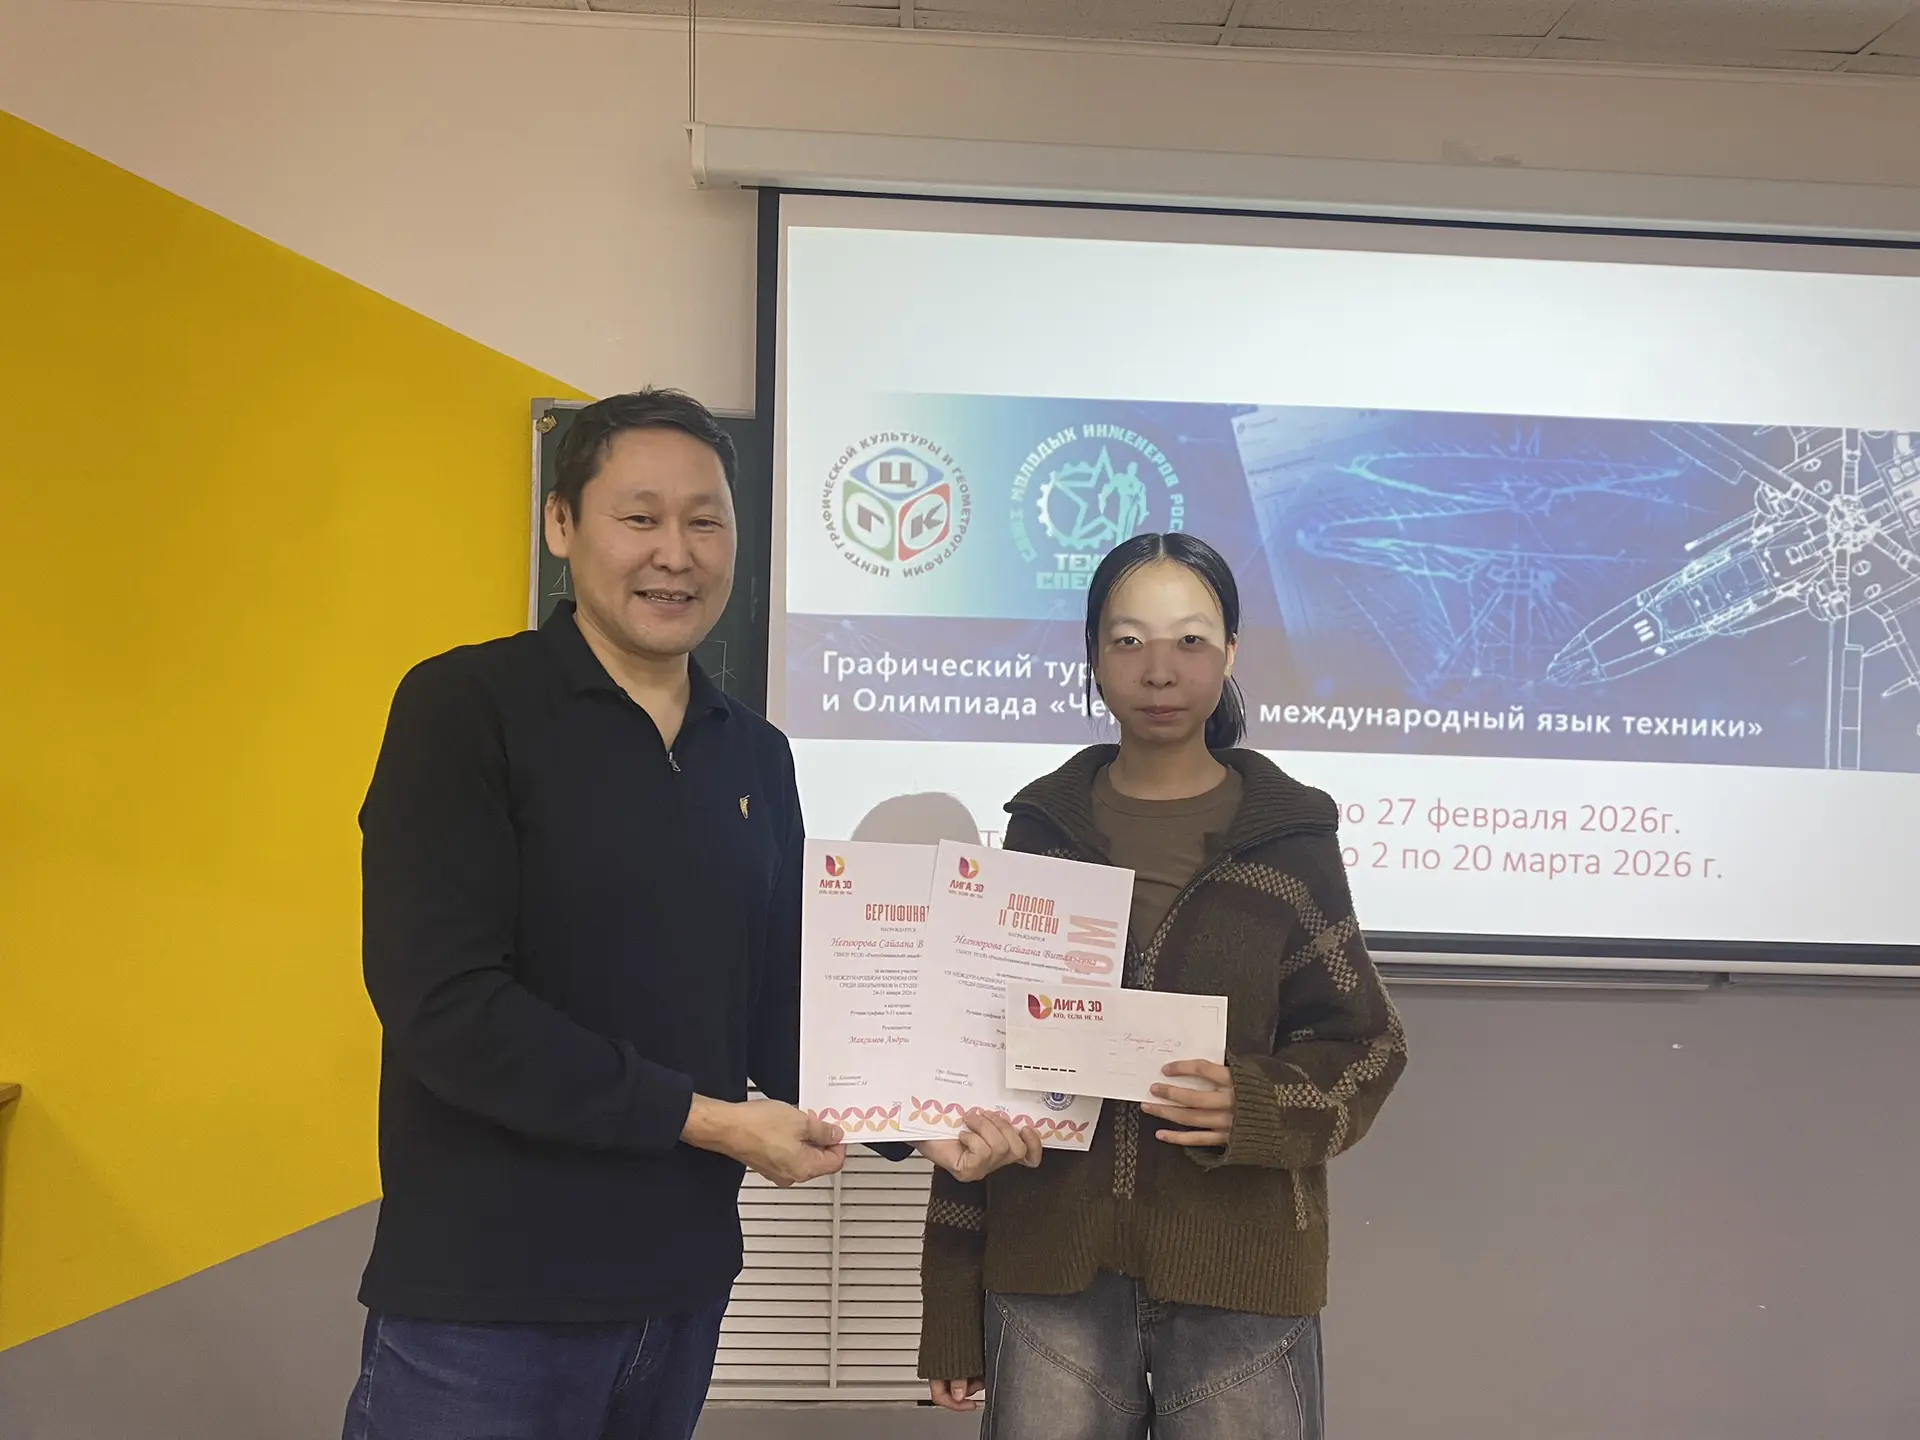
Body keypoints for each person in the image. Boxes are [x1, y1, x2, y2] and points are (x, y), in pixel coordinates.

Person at [342, 389, 846, 1440]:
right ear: (562, 524)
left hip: (678, 1291)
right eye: (640, 517)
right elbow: (447, 1008)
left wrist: (934, 1119)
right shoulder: (464, 708)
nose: (677, 554)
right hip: (487, 1302)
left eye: (706, 521)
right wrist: (708, 1121)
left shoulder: (755, 752)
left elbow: (778, 1006)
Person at [918, 533, 1409, 1440]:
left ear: (1232, 652)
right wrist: (952, 1304)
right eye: (1128, 640)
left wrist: (1254, 1106)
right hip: (1048, 1275)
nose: (1159, 670)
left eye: (1190, 639)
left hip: (1245, 1278)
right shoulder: (1039, 837)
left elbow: (1367, 1046)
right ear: (1093, 655)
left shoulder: (1292, 845)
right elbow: (976, 1071)